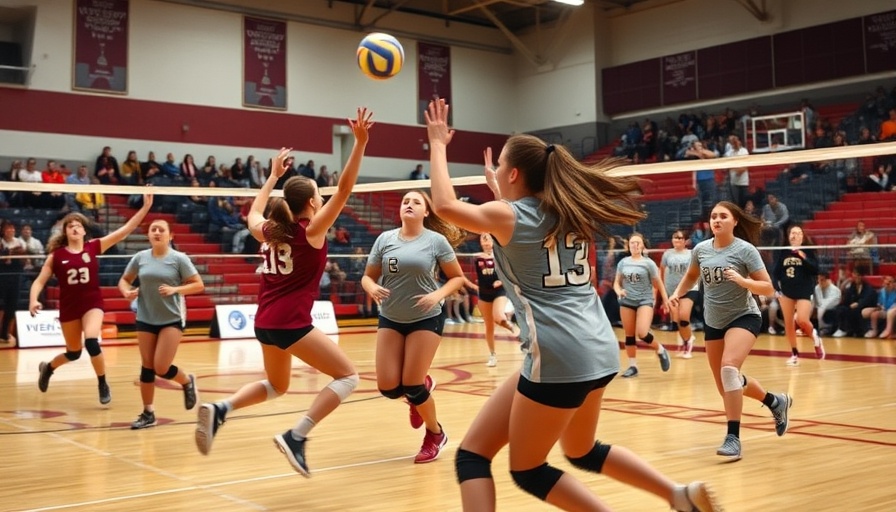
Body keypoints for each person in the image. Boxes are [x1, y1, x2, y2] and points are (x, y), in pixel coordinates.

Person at [425, 99, 720, 511]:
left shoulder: (509, 216)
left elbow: (443, 206)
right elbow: (522, 219)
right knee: (582, 450)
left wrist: (437, 144)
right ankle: (677, 494)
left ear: (511, 173)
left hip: (558, 355)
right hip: (598, 349)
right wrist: (502, 191)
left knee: (495, 461)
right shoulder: (568, 211)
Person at [193, 109, 373, 477]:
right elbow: (345, 189)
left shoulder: (270, 230)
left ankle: (223, 409)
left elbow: (253, 212)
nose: (323, 200)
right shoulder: (311, 230)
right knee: (348, 377)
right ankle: (297, 436)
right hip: (291, 322)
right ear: (310, 203)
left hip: (264, 321)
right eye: (318, 196)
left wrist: (273, 176)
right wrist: (360, 143)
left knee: (277, 385)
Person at [670, 200, 791, 461]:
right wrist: (677, 294)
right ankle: (775, 401)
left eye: (723, 216)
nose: (716, 220)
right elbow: (692, 276)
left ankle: (733, 438)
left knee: (728, 369)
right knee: (726, 385)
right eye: (713, 216)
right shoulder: (701, 250)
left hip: (744, 316)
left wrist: (743, 280)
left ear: (735, 221)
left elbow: (768, 288)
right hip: (714, 321)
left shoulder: (745, 250)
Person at [361, 189, 466, 464]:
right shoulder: (385, 240)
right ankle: (421, 391)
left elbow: (457, 278)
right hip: (391, 316)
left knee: (413, 386)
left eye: (416, 202)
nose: (409, 205)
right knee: (388, 387)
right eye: (406, 201)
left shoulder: (436, 241)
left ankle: (435, 433)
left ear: (426, 212)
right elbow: (367, 277)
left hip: (425, 317)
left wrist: (437, 294)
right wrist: (372, 287)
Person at [30, 195, 154, 404]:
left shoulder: (93, 247)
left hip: (92, 303)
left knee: (91, 342)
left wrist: (146, 206)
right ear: (66, 232)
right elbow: (39, 281)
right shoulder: (56, 256)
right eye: (71, 226)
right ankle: (48, 368)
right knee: (73, 352)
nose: (75, 228)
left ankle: (102, 383)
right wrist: (33, 299)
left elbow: (123, 232)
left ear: (84, 231)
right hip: (69, 307)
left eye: (78, 226)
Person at [118, 219, 205, 429]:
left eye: (161, 230)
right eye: (153, 229)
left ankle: (186, 381)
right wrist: (126, 292)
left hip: (171, 318)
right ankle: (148, 413)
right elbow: (124, 280)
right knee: (147, 367)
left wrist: (176, 290)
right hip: (145, 317)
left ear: (170, 236)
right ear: (149, 235)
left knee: (161, 366)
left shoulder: (179, 259)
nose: (157, 232)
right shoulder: (140, 258)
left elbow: (198, 285)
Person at [615, 232, 672, 378]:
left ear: (642, 245)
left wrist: (665, 300)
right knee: (629, 335)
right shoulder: (623, 262)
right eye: (632, 242)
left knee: (642, 332)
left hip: (644, 300)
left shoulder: (648, 263)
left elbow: (658, 282)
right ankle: (632, 366)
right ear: (628, 245)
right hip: (627, 301)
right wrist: (618, 290)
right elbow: (617, 282)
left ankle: (660, 349)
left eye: (637, 243)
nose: (634, 245)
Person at [771, 225, 825, 366]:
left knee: (802, 319)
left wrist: (802, 256)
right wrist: (777, 289)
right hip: (787, 292)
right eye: (792, 233)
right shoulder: (783, 252)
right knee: (789, 325)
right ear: (789, 237)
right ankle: (794, 354)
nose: (795, 235)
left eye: (798, 233)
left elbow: (815, 270)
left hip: (803, 290)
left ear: (802, 237)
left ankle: (816, 338)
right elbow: (775, 273)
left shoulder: (808, 251)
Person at [473, 232, 514, 367]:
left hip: (499, 292)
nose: (485, 243)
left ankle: (515, 329)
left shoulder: (500, 256)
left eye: (488, 239)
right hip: (484, 294)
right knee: (489, 326)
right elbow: (475, 277)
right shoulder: (477, 258)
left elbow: (509, 274)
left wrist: (501, 282)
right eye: (482, 240)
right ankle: (492, 354)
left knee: (498, 317)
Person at [661, 229, 697, 358]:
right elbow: (662, 271)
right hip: (672, 291)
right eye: (675, 238)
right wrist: (665, 291)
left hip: (689, 289)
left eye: (680, 238)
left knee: (683, 317)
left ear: (685, 241)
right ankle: (686, 341)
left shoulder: (691, 254)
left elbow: (694, 272)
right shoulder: (667, 254)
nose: (677, 240)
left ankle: (689, 342)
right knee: (676, 321)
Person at [0, 220, 26, 344]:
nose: (10, 230)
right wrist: (8, 254)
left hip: (15, 277)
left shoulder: (19, 242)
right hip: (1, 276)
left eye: (12, 228)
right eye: (7, 228)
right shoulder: (1, 242)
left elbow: (22, 261)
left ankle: (4, 334)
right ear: (2, 230)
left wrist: (9, 254)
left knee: (11, 306)